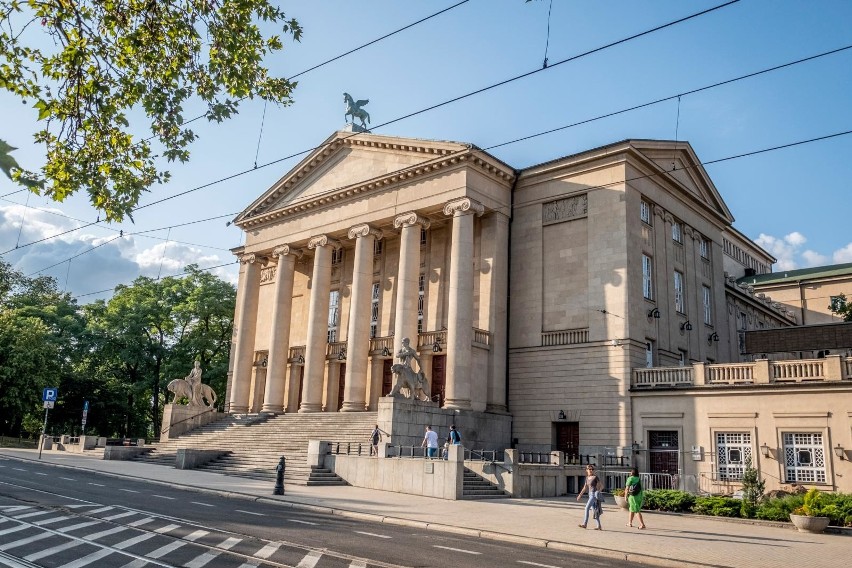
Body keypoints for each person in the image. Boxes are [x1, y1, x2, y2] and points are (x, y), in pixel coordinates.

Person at [576, 464, 604, 530]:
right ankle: (599, 526)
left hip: (594, 495)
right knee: (594, 511)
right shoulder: (586, 478)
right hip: (590, 494)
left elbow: (602, 486)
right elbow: (585, 487)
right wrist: (580, 495)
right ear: (587, 470)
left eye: (592, 469)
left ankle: (585, 524)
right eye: (589, 469)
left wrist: (598, 492)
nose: (591, 470)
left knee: (586, 508)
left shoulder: (595, 477)